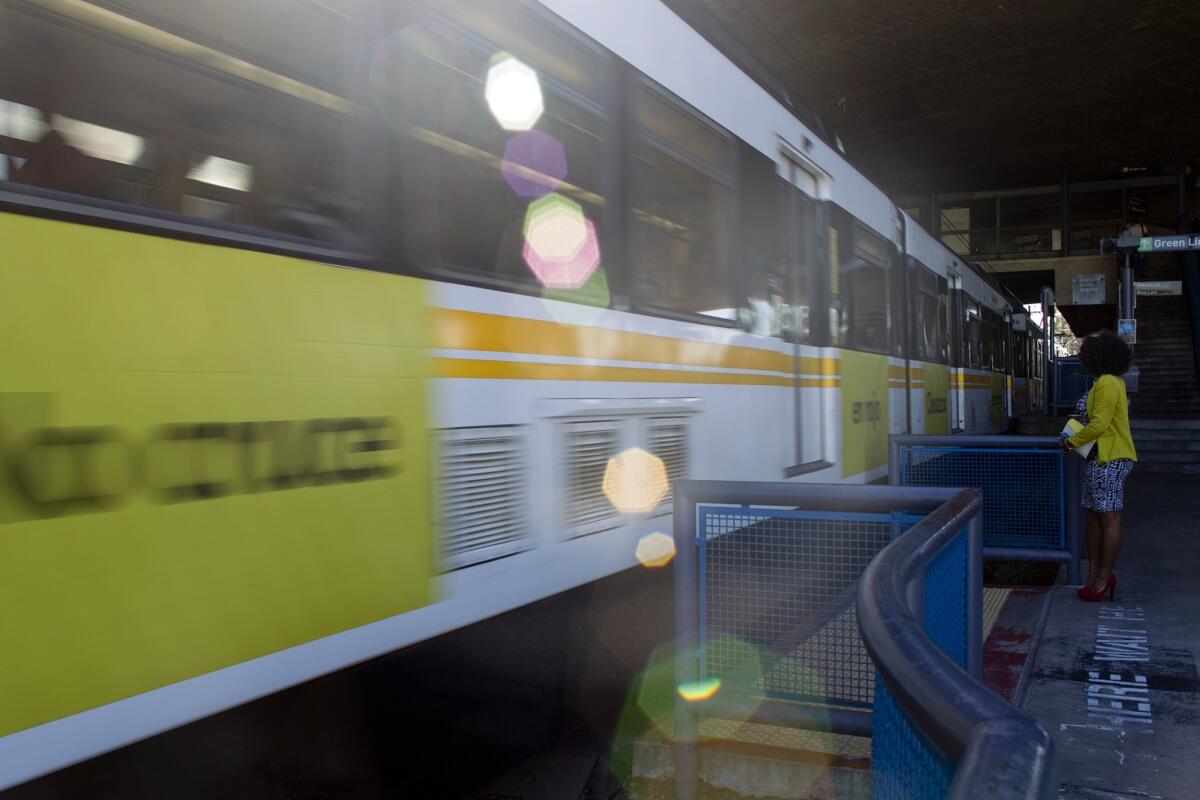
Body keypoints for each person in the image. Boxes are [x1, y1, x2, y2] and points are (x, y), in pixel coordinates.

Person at [1061, 330, 1137, 602]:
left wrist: (1071, 442)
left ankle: (1102, 577)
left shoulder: (1106, 383)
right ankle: (1095, 575)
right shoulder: (1107, 382)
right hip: (1100, 458)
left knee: (1107, 517)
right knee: (1094, 517)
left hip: (1109, 458)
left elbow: (1099, 425)